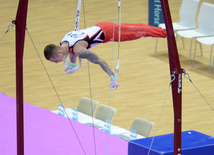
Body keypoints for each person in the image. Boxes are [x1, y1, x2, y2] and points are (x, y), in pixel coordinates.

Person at [44, 22, 167, 89]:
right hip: (100, 26)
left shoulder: (79, 50)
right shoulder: (63, 42)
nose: (56, 63)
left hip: (109, 33)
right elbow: (71, 54)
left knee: (138, 32)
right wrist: (71, 65)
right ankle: (161, 29)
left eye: (55, 60)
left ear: (59, 52)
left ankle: (165, 32)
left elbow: (100, 61)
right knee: (136, 29)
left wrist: (113, 78)